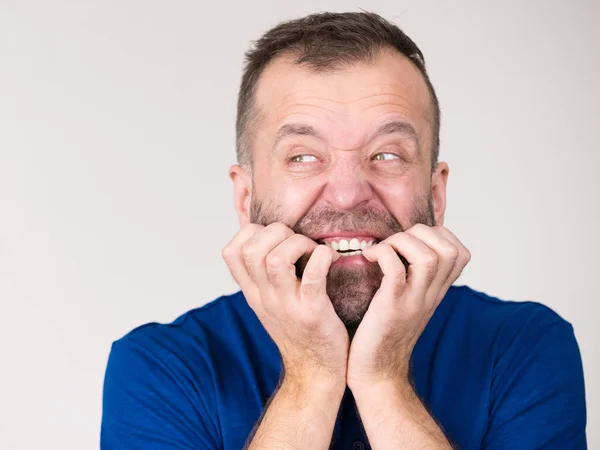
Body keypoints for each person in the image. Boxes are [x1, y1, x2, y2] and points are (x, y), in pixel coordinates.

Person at [100, 11, 587, 449]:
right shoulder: (159, 367)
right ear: (245, 198)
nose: (349, 192)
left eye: (387, 154)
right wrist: (312, 374)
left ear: (436, 196)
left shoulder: (524, 346)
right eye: (304, 157)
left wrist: (383, 380)